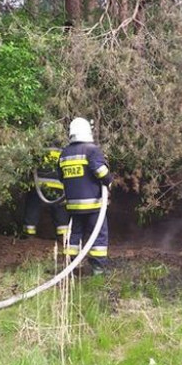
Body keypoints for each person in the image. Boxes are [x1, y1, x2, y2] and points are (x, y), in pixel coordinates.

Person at [59, 117, 112, 273]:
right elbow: (100, 171)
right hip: (93, 204)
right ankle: (98, 267)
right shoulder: (91, 150)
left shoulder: (64, 153)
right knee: (99, 234)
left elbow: (61, 177)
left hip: (73, 205)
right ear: (88, 132)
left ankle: (70, 265)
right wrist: (109, 179)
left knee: (75, 233)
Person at [22, 145, 71, 240]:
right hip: (58, 186)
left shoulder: (38, 149)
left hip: (39, 185)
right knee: (60, 209)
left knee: (33, 206)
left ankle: (29, 234)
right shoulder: (64, 152)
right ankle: (63, 236)